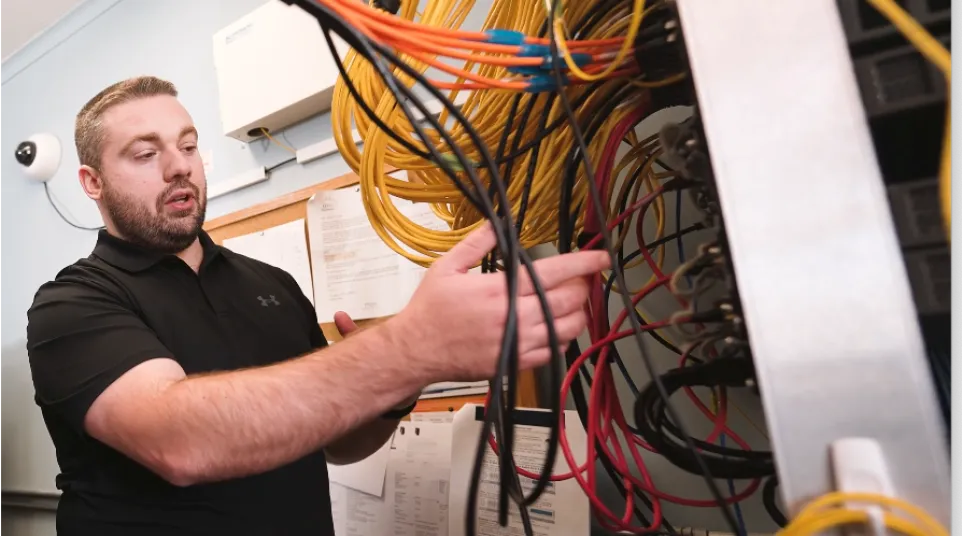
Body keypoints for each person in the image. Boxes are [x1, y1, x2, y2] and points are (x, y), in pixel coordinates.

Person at [25, 76, 609, 535]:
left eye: (189, 145)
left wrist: (398, 388)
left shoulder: (271, 283)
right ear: (92, 183)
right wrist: (406, 349)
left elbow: (338, 444)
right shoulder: (71, 304)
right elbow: (181, 442)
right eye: (144, 153)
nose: (180, 165)